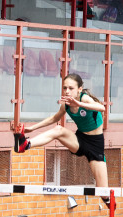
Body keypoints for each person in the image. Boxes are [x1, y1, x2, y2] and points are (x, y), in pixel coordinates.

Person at [13, 74, 110, 207]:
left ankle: (109, 201)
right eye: (65, 88)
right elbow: (54, 118)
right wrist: (31, 128)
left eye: (71, 88)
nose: (67, 91)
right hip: (80, 140)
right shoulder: (66, 105)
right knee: (58, 130)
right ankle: (26, 144)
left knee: (103, 191)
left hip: (95, 144)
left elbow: (102, 108)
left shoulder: (85, 99)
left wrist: (79, 103)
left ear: (79, 89)